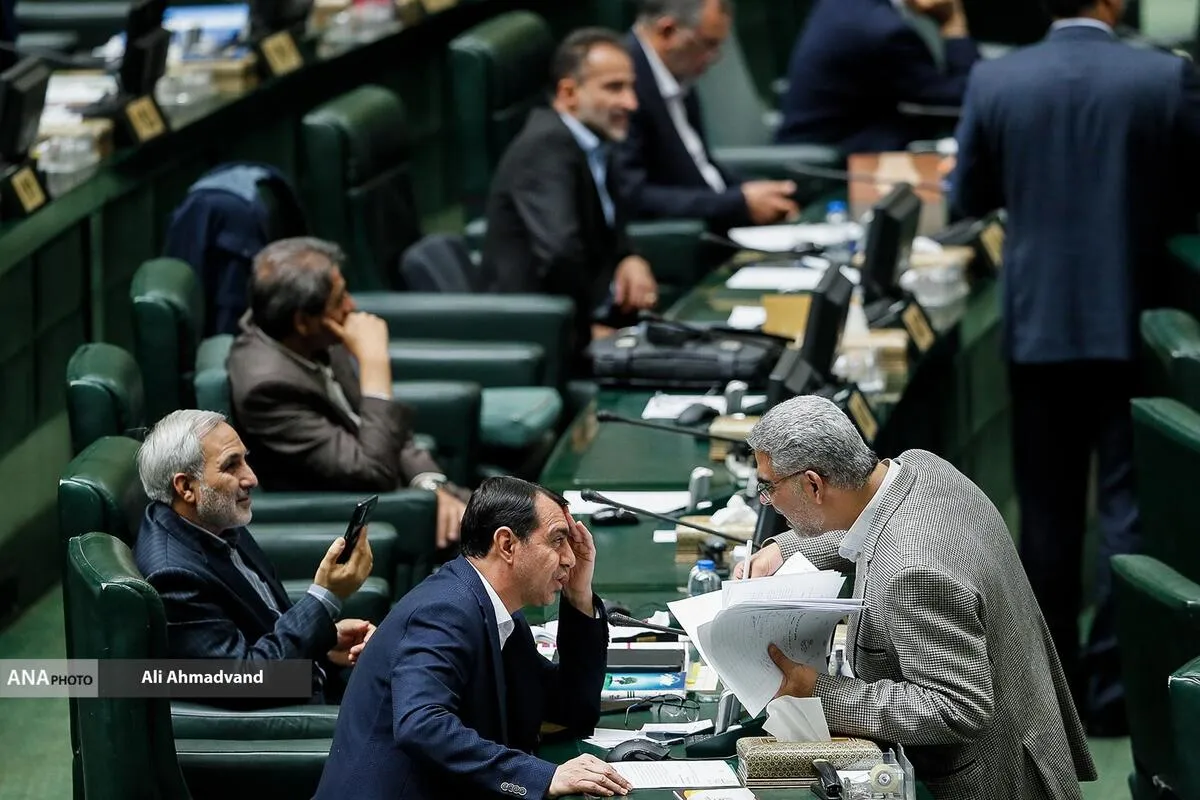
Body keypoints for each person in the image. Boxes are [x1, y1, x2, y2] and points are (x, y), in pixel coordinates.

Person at [951, 0, 1200, 734]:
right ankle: (1117, 697)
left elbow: (969, 197)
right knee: (1127, 511)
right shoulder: (1164, 77)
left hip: (1041, 327)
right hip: (1135, 319)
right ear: (1113, 2)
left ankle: (1048, 697)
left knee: (1047, 516)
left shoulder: (997, 80)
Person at [736, 396, 1095, 799]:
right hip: (1026, 734)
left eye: (768, 487)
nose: (767, 500)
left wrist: (818, 691)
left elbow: (956, 707)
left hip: (989, 783)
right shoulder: (920, 469)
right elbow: (874, 528)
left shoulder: (912, 573)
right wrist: (786, 550)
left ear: (813, 484)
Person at [314, 477, 630, 800]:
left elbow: (572, 709)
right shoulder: (445, 609)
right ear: (507, 545)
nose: (570, 558)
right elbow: (421, 725)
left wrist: (578, 595)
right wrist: (543, 777)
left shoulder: (500, 613)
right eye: (557, 541)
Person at [226, 237, 467, 548]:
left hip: (411, 492)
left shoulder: (310, 337)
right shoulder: (267, 390)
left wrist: (431, 485)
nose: (351, 306)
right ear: (303, 321)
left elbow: (385, 428)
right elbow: (372, 472)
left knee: (516, 510)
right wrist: (375, 363)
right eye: (340, 299)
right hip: (367, 518)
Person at [133, 409, 376, 707]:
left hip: (310, 678)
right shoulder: (172, 576)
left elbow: (265, 625)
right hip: (297, 715)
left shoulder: (214, 520)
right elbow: (246, 681)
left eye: (245, 460)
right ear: (185, 488)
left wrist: (323, 642)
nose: (251, 478)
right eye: (231, 465)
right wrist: (325, 598)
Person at [483, 28, 659, 350]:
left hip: (592, 320)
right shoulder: (544, 148)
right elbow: (561, 254)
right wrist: (587, 331)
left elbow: (608, 223)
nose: (631, 102)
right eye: (614, 88)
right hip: (545, 336)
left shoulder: (594, 142)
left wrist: (629, 257)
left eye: (631, 87)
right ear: (569, 93)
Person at [617, 0, 799, 229]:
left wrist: (756, 192)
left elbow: (701, 166)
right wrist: (736, 203)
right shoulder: (623, 83)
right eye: (709, 44)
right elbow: (633, 196)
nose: (715, 57)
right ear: (668, 31)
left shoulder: (677, 74)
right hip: (687, 234)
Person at [775, 0, 979, 154]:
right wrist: (953, 23)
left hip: (834, 143)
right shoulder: (882, 30)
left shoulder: (850, 7)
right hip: (824, 168)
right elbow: (964, 100)